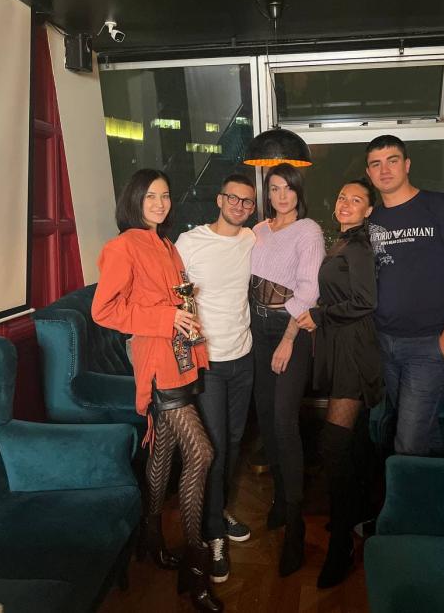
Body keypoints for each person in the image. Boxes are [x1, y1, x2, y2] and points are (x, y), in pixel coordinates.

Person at [91, 168, 223, 613]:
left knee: (163, 452)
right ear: (134, 199)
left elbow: (170, 300)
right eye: (150, 196)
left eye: (165, 195)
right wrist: (166, 317)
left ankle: (150, 538)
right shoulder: (122, 246)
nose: (160, 203)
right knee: (202, 454)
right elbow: (104, 310)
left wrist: (184, 312)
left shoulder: (165, 244)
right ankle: (195, 567)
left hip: (180, 358)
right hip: (157, 363)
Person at [366, 135, 444, 456]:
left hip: (428, 345)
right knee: (422, 428)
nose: (384, 170)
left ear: (407, 165)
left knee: (408, 442)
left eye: (392, 161)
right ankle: (438, 481)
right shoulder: (373, 220)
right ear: (369, 172)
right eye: (376, 164)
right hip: (385, 342)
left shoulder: (442, 208)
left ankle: (407, 489)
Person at [297, 177, 382, 589]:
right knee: (353, 443)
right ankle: (359, 513)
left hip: (353, 349)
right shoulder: (343, 242)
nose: (346, 203)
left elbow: (366, 301)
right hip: (340, 344)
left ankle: (342, 544)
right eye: (343, 197)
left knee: (333, 445)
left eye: (357, 199)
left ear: (369, 210)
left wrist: (321, 314)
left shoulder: (360, 246)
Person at [176, 173, 256, 585]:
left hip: (244, 355)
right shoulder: (190, 242)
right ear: (220, 200)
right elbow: (170, 291)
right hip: (207, 360)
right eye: (233, 198)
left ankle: (218, 508)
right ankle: (212, 533)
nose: (239, 206)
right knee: (216, 447)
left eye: (247, 202)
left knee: (235, 441)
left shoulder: (251, 239)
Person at [250, 163, 326, 577]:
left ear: (298, 191)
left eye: (287, 188)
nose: (281, 195)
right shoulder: (259, 229)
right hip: (255, 326)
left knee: (283, 421)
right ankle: (280, 497)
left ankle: (295, 526)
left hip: (288, 328)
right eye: (274, 188)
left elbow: (310, 290)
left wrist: (288, 338)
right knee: (265, 418)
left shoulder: (308, 230)